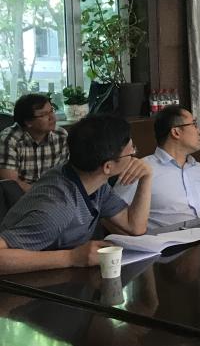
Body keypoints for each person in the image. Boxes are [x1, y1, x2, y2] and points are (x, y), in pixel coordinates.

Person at [0, 114, 152, 275]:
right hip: (22, 285)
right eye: (131, 152)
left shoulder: (95, 185)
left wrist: (146, 178)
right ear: (108, 167)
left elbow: (135, 226)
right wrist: (71, 257)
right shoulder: (57, 207)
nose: (134, 155)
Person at [114, 106, 200, 228]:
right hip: (166, 238)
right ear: (176, 132)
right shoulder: (142, 169)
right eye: (194, 125)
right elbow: (110, 216)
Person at [0, 93, 69, 191]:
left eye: (51, 111)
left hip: (53, 192)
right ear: (28, 122)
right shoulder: (9, 140)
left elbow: (64, 173)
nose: (52, 117)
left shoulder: (61, 135)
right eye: (43, 115)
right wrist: (40, 194)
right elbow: (10, 183)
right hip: (20, 195)